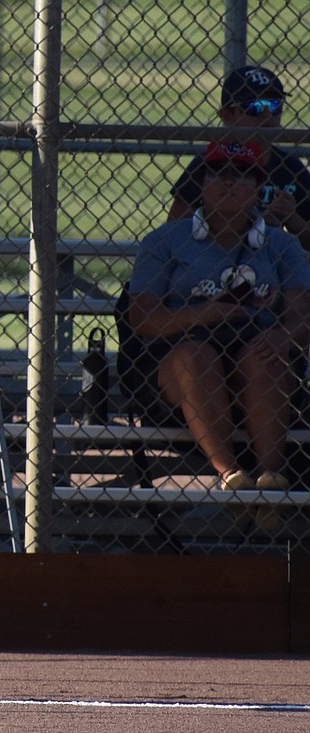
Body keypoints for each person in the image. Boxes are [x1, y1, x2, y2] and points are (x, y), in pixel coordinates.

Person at [128, 141, 310, 530]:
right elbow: (141, 318)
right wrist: (203, 313)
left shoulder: (281, 244)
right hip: (179, 358)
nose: (229, 182)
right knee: (197, 356)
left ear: (258, 187)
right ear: (201, 184)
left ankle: (270, 479)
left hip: (254, 350)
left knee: (264, 355)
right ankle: (231, 476)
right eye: (218, 173)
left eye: (242, 174)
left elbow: (301, 318)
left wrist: (283, 337)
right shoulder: (165, 241)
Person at [168, 65, 310, 250]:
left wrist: (292, 220)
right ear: (227, 114)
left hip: (272, 266)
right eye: (255, 107)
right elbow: (172, 233)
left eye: (275, 105)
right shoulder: (210, 165)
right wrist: (244, 223)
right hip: (212, 261)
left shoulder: (290, 167)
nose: (267, 114)